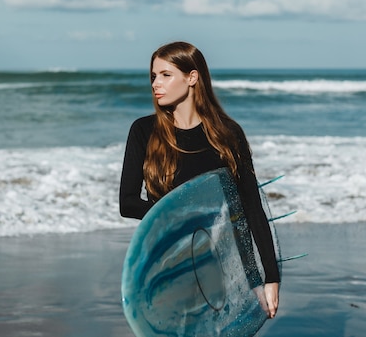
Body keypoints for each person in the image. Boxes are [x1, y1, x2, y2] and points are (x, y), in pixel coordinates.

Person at [119, 41, 280, 319]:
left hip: (216, 263)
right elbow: (128, 203)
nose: (156, 83)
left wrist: (266, 279)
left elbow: (250, 212)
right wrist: (184, 215)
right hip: (165, 261)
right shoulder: (144, 130)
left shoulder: (227, 135)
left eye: (166, 75)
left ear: (192, 77)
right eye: (153, 76)